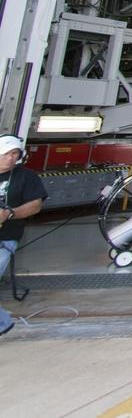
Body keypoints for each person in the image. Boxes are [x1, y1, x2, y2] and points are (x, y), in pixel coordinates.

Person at [0, 135, 47, 338]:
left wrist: (10, 213)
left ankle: (2, 323)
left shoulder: (26, 177)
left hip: (5, 238)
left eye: (14, 154)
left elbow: (35, 205)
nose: (11, 158)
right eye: (6, 154)